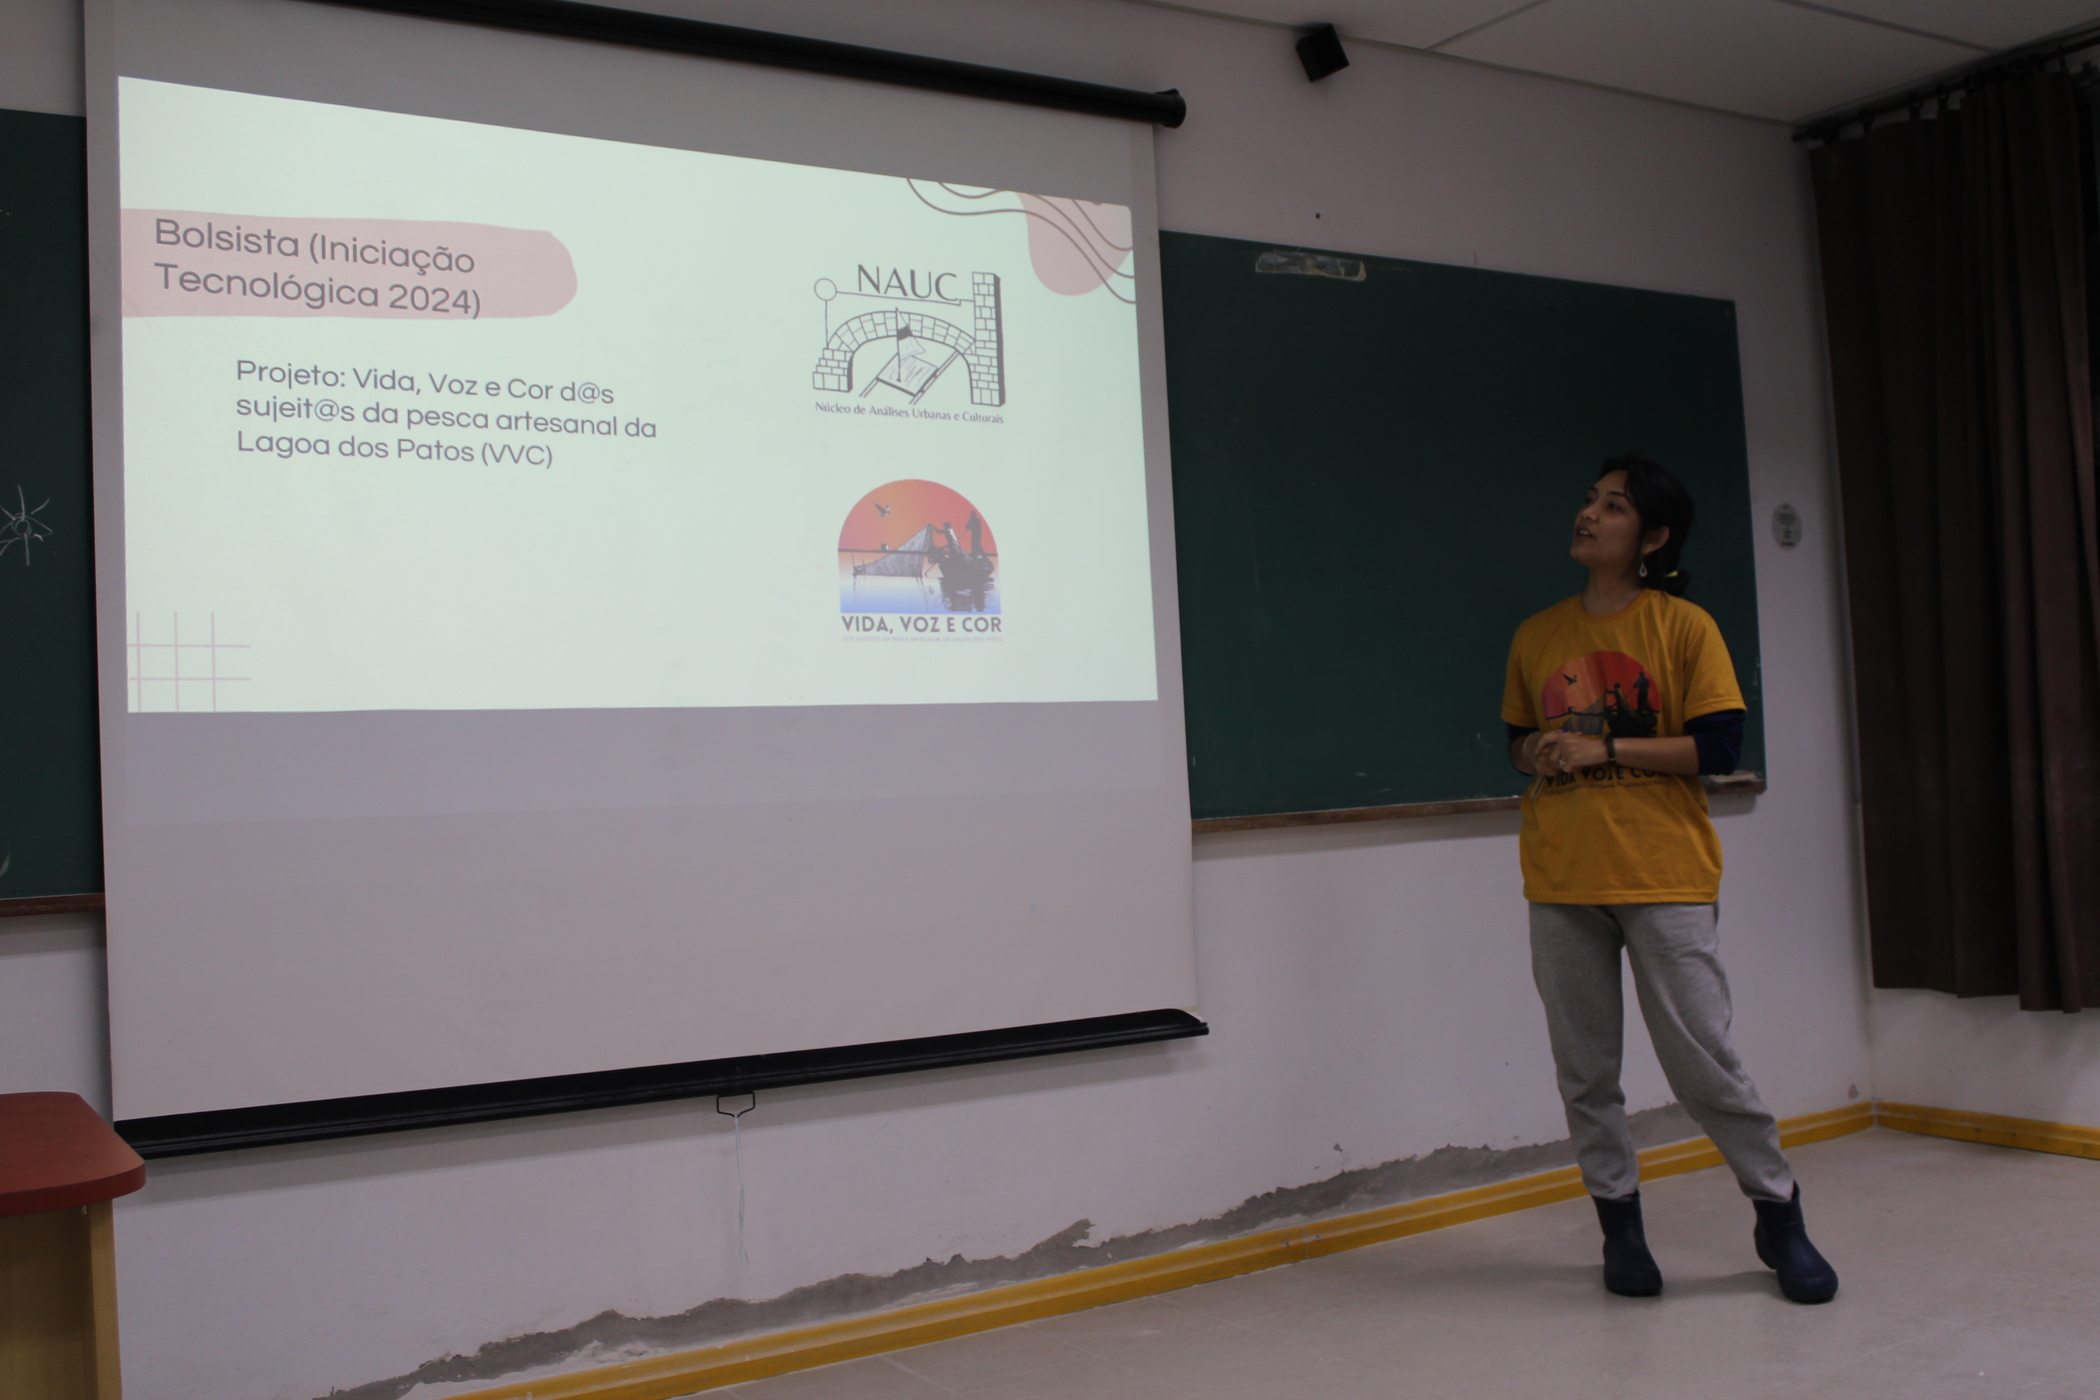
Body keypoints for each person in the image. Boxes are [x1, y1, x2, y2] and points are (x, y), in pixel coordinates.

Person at [1501, 453, 1837, 1305]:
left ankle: (1779, 1213)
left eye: (1613, 507)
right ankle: (1619, 1227)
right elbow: (1515, 741)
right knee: (1586, 1073)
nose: (1589, 514)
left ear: (1651, 538)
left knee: (1705, 1064)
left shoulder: (1684, 628)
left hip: (1664, 873)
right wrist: (1539, 750)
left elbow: (1719, 748)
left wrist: (1606, 748)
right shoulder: (1537, 634)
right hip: (1560, 877)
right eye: (1589, 499)